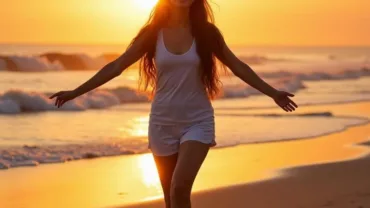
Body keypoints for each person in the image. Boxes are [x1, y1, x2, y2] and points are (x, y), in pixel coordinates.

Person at [49, 0, 298, 207]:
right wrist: (76, 91)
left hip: (197, 121)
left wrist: (273, 93)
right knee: (170, 199)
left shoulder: (207, 34)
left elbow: (238, 67)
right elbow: (116, 66)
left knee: (179, 188)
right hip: (162, 123)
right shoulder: (153, 34)